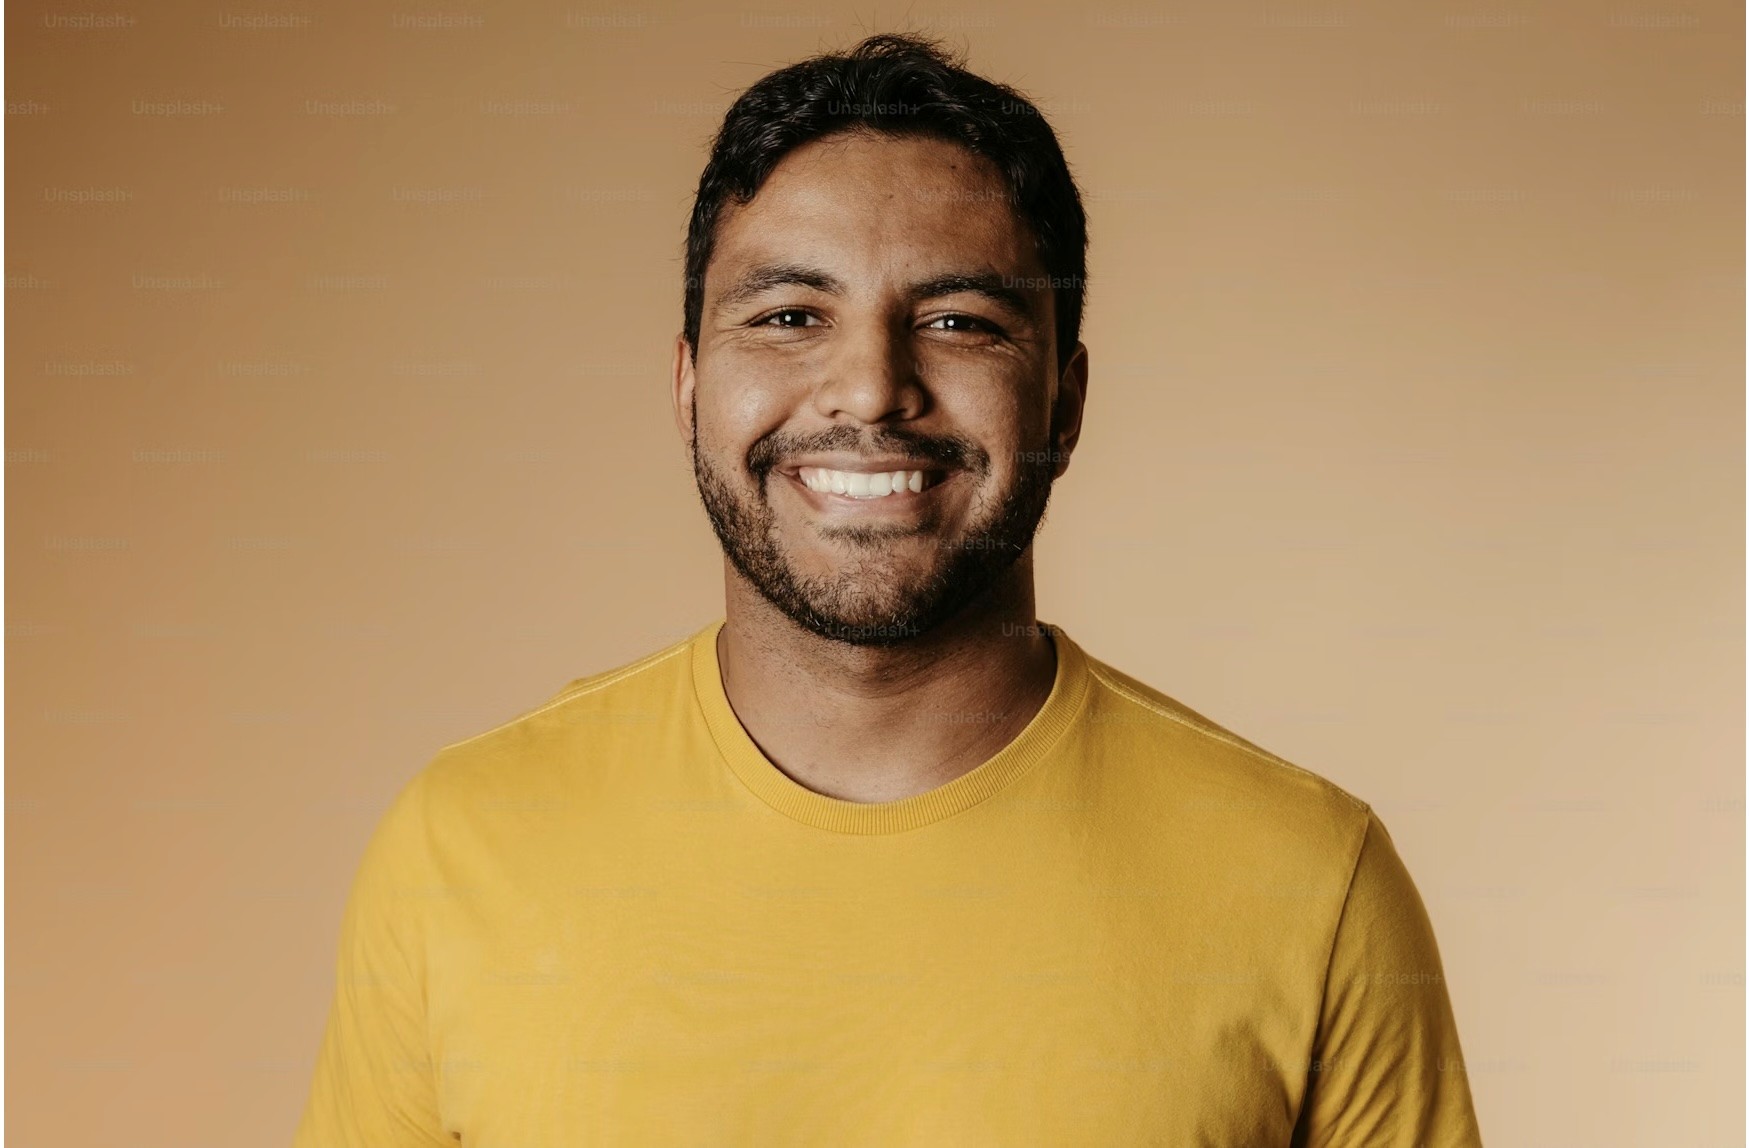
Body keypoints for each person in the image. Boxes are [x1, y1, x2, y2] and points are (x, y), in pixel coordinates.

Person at [293, 32, 1483, 1146]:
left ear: (1063, 401)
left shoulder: (1311, 880)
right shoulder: (463, 847)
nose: (870, 388)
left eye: (960, 319)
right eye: (790, 314)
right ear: (688, 384)